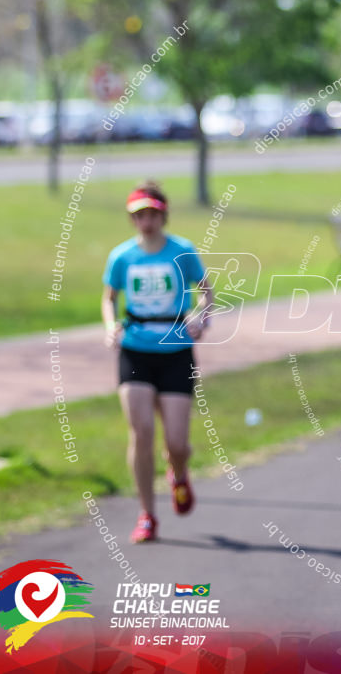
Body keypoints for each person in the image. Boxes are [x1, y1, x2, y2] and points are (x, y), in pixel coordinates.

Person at [102, 181, 214, 543]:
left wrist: (201, 316)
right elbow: (109, 297)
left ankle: (178, 473)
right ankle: (147, 514)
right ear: (131, 218)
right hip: (135, 349)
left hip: (176, 350)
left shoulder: (182, 250)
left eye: (151, 214)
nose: (145, 221)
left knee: (177, 444)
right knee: (142, 432)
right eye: (138, 215)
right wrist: (109, 326)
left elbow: (207, 292)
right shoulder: (121, 256)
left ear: (162, 215)